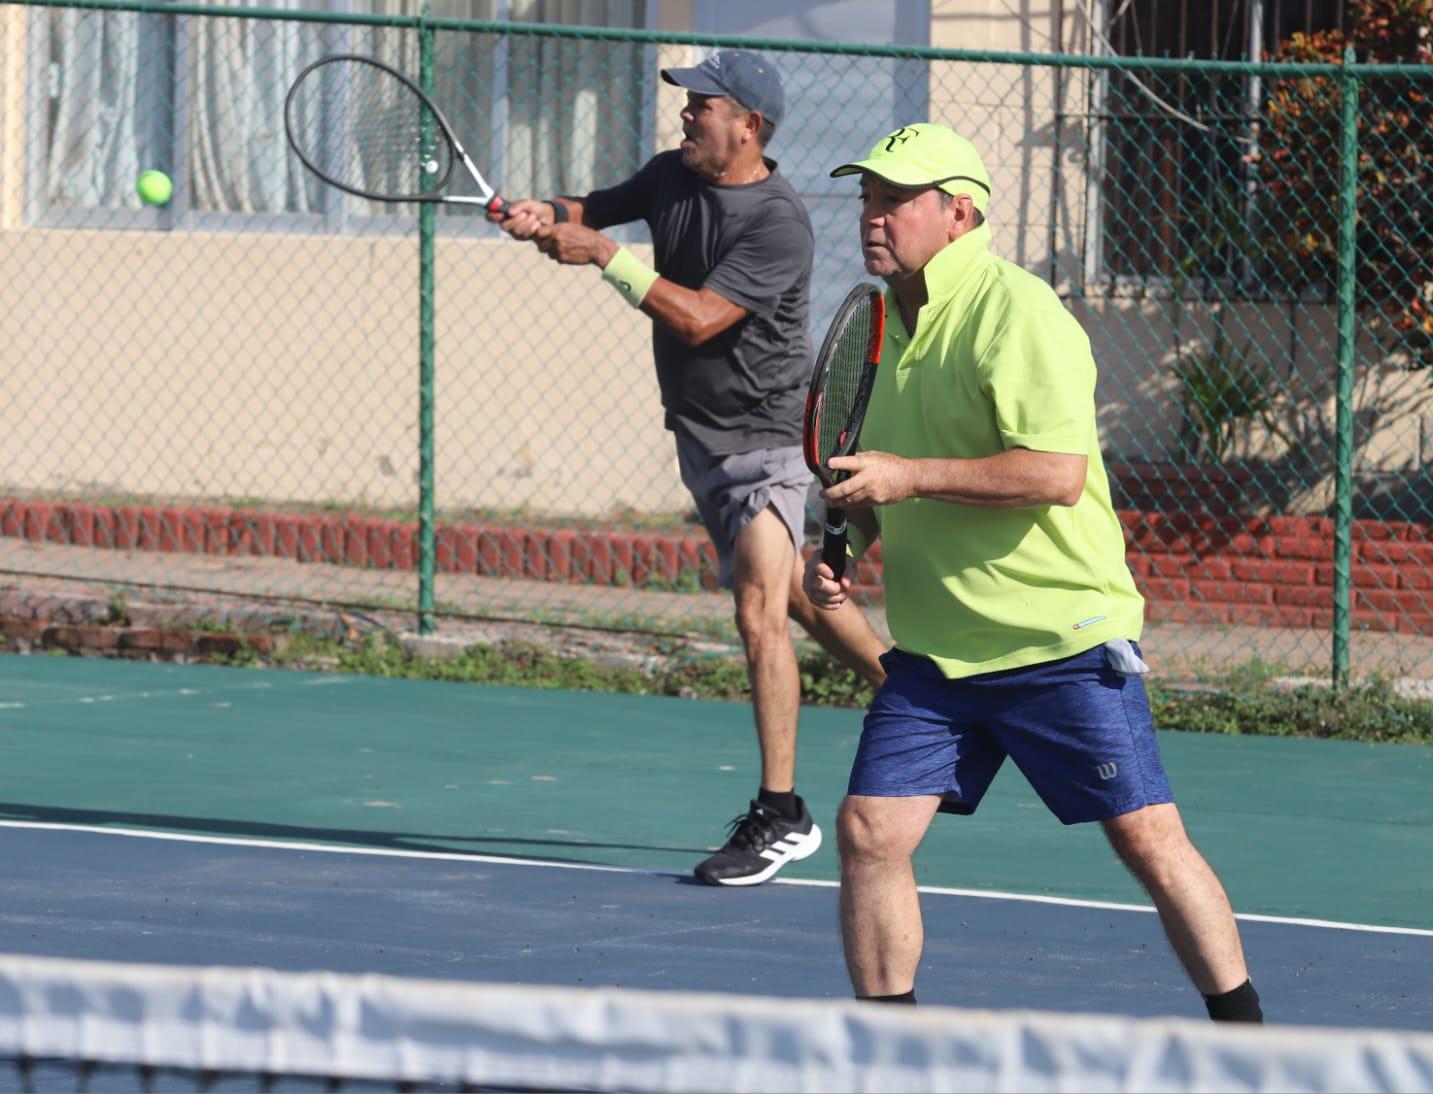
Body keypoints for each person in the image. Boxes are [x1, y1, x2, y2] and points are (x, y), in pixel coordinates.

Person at [803, 123, 1264, 1022]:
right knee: (869, 832)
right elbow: (880, 471)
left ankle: (1248, 1041)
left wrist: (910, 476)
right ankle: (889, 1056)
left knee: (1145, 836)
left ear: (958, 211)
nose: (873, 215)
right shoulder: (883, 323)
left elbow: (1055, 472)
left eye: (895, 199)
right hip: (937, 655)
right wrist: (848, 543)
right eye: (868, 197)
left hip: (1058, 638)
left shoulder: (1020, 313)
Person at [490, 50, 887, 887]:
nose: (685, 114)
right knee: (786, 592)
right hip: (701, 434)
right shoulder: (673, 174)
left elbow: (703, 318)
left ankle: (781, 815)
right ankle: (908, 692)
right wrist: (545, 212)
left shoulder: (778, 221)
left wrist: (603, 255)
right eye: (687, 101)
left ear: (749, 125)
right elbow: (596, 206)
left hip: (770, 434)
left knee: (755, 610)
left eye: (701, 104)